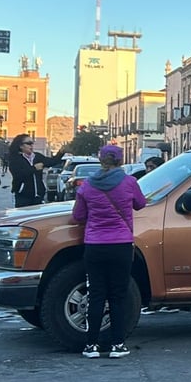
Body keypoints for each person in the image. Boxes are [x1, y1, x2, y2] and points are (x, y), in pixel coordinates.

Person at [71, 144, 146, 359]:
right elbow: (140, 204)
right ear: (120, 160)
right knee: (118, 295)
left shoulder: (86, 186)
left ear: (100, 159)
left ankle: (91, 345)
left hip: (94, 245)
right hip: (121, 245)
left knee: (96, 294)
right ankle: (118, 345)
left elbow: (78, 216)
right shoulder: (129, 182)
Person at [8, 133, 59, 207]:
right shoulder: (15, 159)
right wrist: (34, 168)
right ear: (21, 146)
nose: (31, 145)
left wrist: (61, 152)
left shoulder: (37, 156)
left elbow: (51, 162)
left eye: (32, 143)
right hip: (23, 196)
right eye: (28, 143)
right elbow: (18, 175)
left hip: (38, 196)